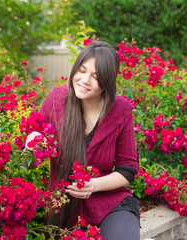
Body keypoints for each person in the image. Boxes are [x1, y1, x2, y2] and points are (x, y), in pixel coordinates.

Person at [25, 41, 140, 239]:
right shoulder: (55, 100)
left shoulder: (121, 110)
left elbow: (127, 170)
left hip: (109, 204)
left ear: (107, 82)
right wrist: (32, 145)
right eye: (82, 70)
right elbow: (32, 160)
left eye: (95, 76)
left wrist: (93, 185)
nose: (85, 80)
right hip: (63, 209)